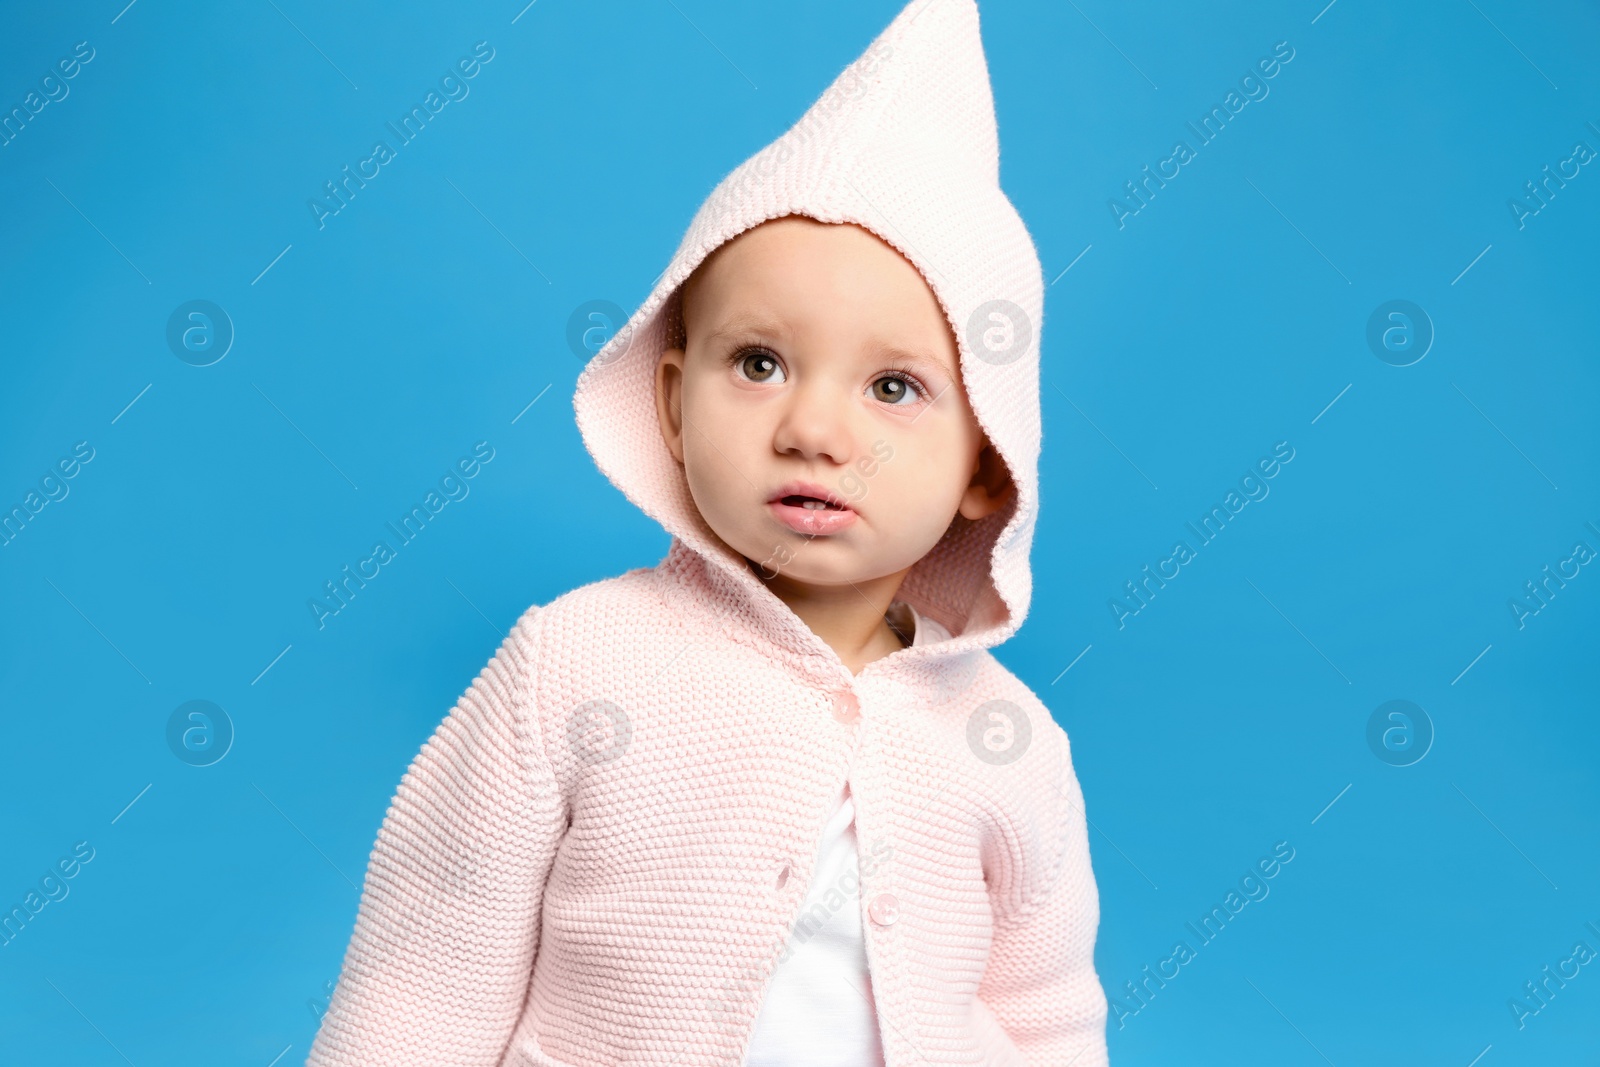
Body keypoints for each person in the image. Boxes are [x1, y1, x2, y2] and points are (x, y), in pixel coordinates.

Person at [305, 1, 1109, 1063]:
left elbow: (1045, 1014)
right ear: (674, 403)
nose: (815, 429)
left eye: (894, 385)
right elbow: (425, 967)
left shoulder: (1010, 744)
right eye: (759, 362)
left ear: (984, 461)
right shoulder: (573, 663)